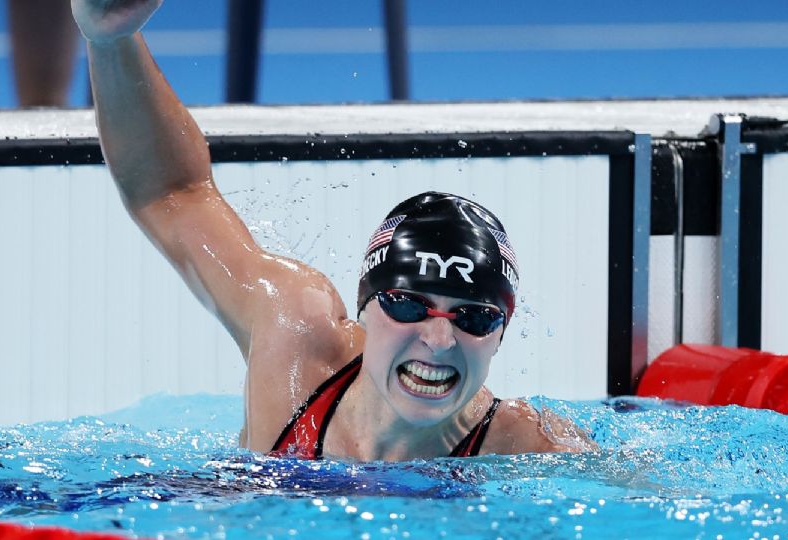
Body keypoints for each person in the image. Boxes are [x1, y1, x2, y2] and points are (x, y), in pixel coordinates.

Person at [71, 0, 596, 461]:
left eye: (473, 317)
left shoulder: (528, 447)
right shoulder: (294, 340)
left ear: (501, 334)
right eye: (409, 305)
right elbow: (172, 193)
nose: (438, 339)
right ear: (364, 306)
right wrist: (111, 40)